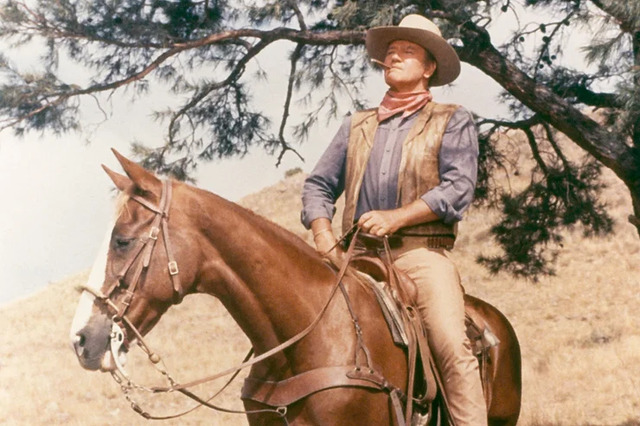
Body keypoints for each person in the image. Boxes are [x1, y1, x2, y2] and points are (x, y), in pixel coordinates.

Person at [300, 14, 487, 425]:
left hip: (419, 256)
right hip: (354, 256)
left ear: (429, 67)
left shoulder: (451, 119)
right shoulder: (356, 124)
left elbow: (458, 189)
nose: (394, 58)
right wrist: (322, 233)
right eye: (390, 53)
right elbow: (317, 185)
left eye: (407, 52)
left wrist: (397, 218)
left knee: (451, 346)